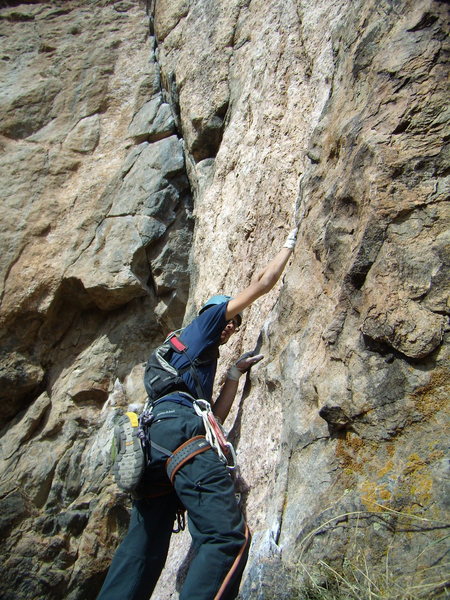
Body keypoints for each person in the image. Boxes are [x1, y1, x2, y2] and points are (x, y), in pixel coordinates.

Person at [97, 228, 298, 600]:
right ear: (217, 313)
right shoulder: (203, 325)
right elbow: (262, 284)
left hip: (155, 443)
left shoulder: (187, 354)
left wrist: (234, 376)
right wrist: (290, 242)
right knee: (226, 536)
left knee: (140, 552)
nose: (231, 330)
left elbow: (212, 417)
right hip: (178, 435)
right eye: (231, 322)